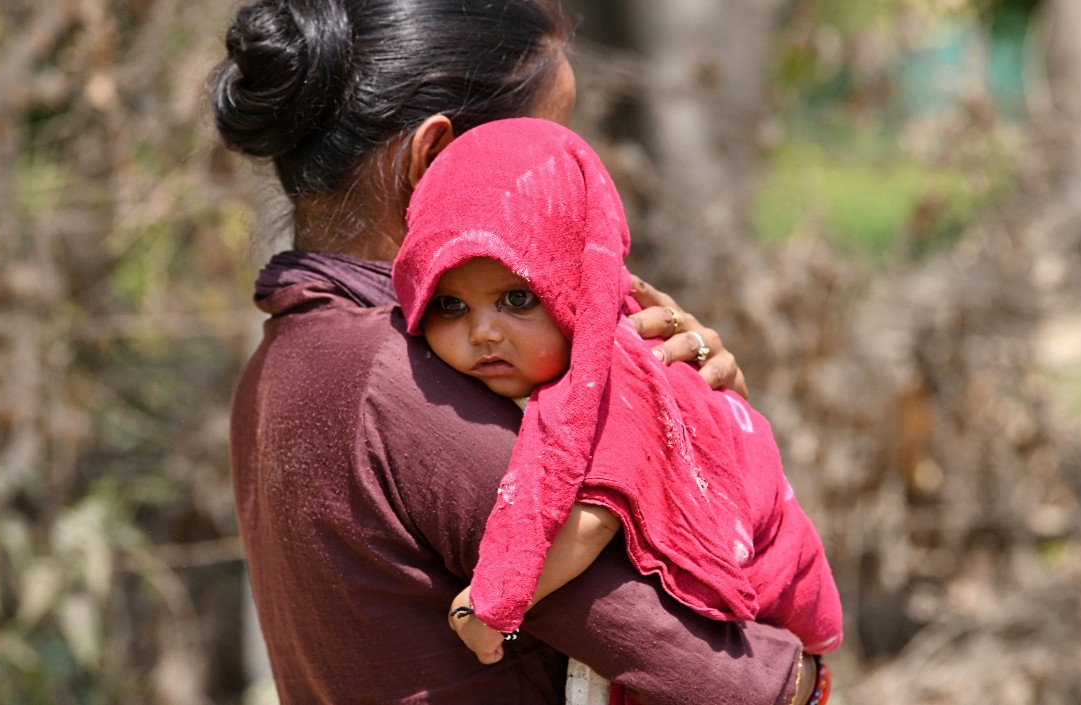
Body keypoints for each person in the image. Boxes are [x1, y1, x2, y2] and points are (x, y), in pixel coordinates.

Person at [211, 0, 820, 702]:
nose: (570, 176)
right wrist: (811, 677)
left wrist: (692, 410)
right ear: (435, 163)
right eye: (547, 142)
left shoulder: (282, 361)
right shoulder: (412, 389)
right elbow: (732, 680)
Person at [392, 117, 840, 702]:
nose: (482, 333)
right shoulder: (552, 368)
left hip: (769, 608)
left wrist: (489, 604)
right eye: (450, 305)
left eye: (517, 298)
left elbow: (596, 512)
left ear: (577, 285)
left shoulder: (616, 374)